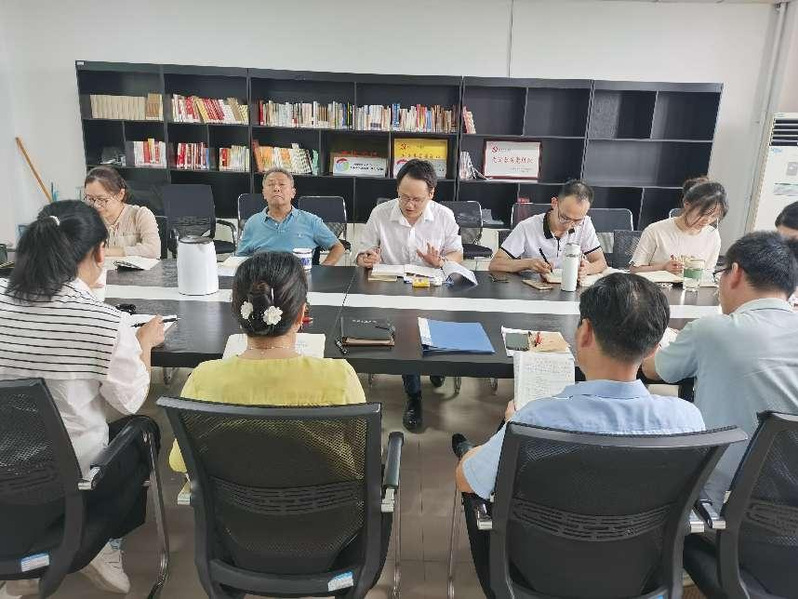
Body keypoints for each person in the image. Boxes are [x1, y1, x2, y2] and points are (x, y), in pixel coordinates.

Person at [452, 273, 705, 598]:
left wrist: (506, 430)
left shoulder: (536, 420)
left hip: (535, 576)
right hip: (640, 578)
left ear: (584, 333)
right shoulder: (686, 420)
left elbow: (466, 480)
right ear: (655, 347)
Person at [0, 200, 164, 595]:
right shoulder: (103, 322)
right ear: (99, 253)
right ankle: (98, 542)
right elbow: (130, 399)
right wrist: (143, 343)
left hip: (5, 463)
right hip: (66, 480)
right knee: (144, 430)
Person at [168, 251, 365, 472]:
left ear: (239, 314)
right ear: (301, 315)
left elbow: (180, 462)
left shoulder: (204, 379)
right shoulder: (339, 378)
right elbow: (362, 459)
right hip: (323, 493)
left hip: (228, 494)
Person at [643, 231, 798, 509]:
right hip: (787, 515)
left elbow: (654, 370)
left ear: (735, 273)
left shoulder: (711, 330)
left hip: (716, 505)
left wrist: (654, 344)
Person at [356, 159, 463, 433]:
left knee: (434, 330)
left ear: (431, 194)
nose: (409, 205)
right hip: (391, 291)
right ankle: (414, 395)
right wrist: (366, 258)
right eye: (404, 197)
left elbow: (457, 255)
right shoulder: (380, 213)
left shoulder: (444, 216)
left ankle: (437, 368)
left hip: (432, 290)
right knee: (406, 335)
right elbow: (362, 253)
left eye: (417, 199)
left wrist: (440, 261)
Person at [488, 179, 608, 279]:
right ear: (554, 203)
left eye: (577, 220)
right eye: (565, 217)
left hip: (571, 288)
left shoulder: (585, 223)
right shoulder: (527, 227)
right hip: (533, 290)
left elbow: (601, 262)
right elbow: (495, 264)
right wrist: (528, 263)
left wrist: (588, 269)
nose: (570, 225)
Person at [236, 168, 345, 265]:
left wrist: (322, 270)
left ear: (293, 193)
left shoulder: (311, 221)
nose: (276, 188)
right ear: (264, 193)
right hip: (263, 277)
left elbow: (338, 247)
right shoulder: (252, 222)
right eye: (271, 184)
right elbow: (240, 256)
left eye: (282, 184)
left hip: (299, 278)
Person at [630, 178, 726, 274]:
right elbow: (634, 270)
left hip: (693, 284)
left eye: (714, 216)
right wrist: (663, 267)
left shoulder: (712, 235)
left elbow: (708, 272)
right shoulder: (655, 231)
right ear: (687, 204)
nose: (707, 220)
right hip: (656, 283)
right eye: (702, 214)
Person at [84, 165, 161, 259]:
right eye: (90, 199)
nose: (96, 205)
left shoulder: (140, 215)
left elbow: (153, 251)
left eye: (102, 199)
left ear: (120, 194)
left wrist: (107, 252)